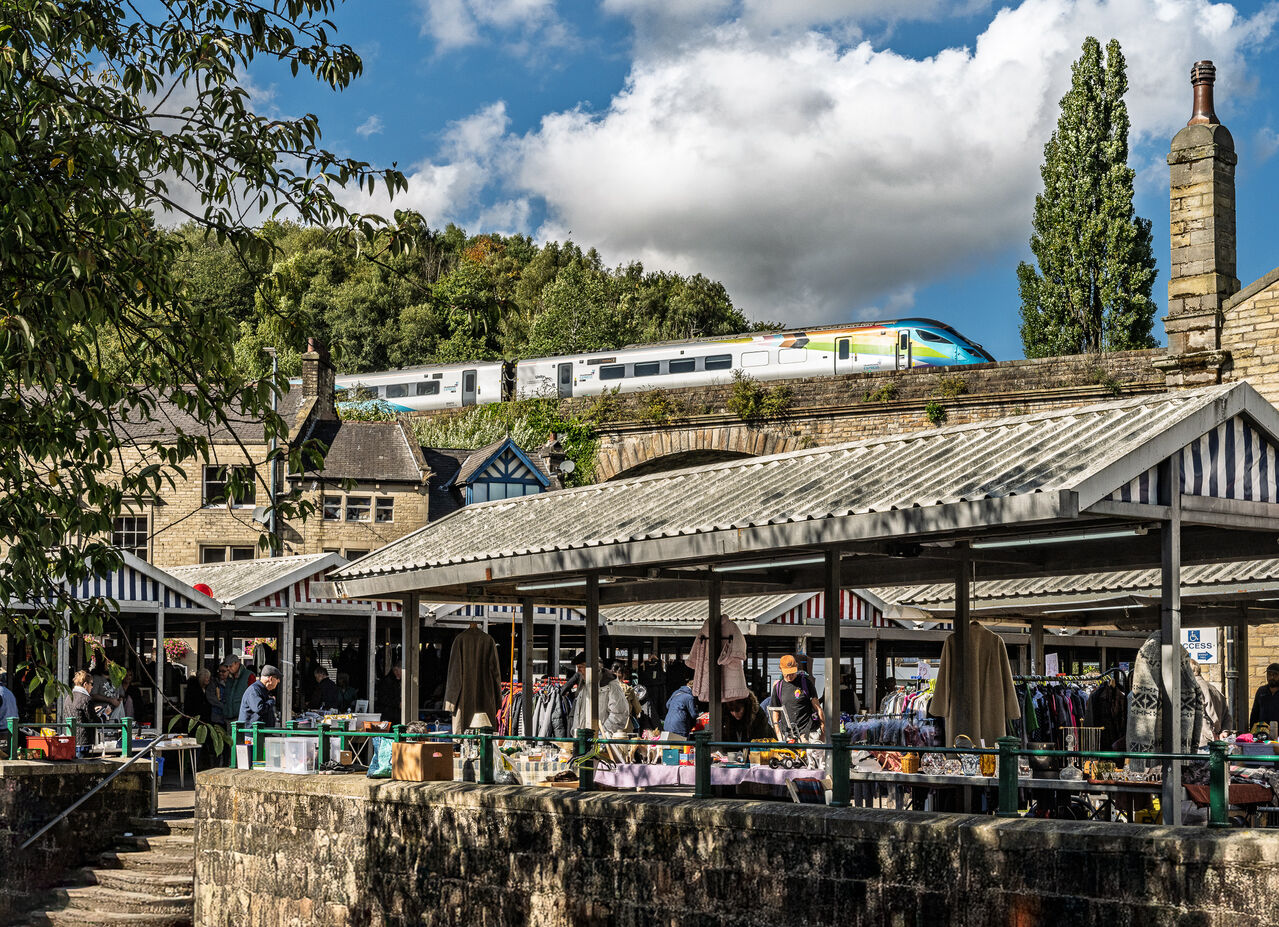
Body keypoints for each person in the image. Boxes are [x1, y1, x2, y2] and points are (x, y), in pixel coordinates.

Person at [769, 654, 825, 743]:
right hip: (786, 734)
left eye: (792, 672)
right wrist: (779, 734)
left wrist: (823, 733)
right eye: (787, 673)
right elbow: (775, 712)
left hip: (806, 732)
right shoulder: (778, 687)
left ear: (796, 668)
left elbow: (818, 708)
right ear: (781, 669)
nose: (790, 675)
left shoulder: (806, 683)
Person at [63, 670, 95, 748]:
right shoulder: (86, 699)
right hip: (84, 742)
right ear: (85, 684)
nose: (92, 687)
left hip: (70, 740)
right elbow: (93, 720)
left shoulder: (68, 697)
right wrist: (104, 715)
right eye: (91, 684)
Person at [222, 655, 253, 723]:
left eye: (230, 666)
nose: (228, 668)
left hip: (243, 717)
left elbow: (252, 697)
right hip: (228, 716)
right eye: (227, 666)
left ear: (237, 663)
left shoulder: (249, 675)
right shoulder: (229, 677)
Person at [1248, 663, 1279, 732]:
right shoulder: (1261, 691)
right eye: (1269, 674)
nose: (1272, 677)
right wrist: (1252, 732)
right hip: (1263, 732)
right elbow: (1255, 713)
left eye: (1275, 674)